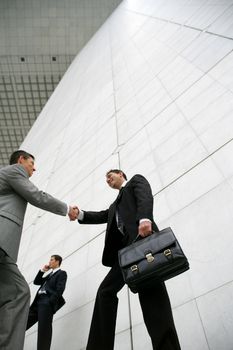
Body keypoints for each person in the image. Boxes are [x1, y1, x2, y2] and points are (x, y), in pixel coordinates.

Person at [77, 169, 181, 350]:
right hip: (124, 255)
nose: (108, 180)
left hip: (142, 244)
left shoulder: (135, 181)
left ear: (121, 174)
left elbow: (145, 196)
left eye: (110, 176)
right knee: (105, 292)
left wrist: (145, 218)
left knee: (152, 298)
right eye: (106, 179)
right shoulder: (113, 206)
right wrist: (79, 214)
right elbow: (101, 215)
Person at [0, 150, 78, 350]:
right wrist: (66, 208)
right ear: (21, 160)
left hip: (4, 252)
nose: (34, 168)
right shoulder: (14, 171)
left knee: (19, 292)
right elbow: (37, 196)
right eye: (31, 163)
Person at [26, 255, 67, 350]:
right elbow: (36, 282)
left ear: (57, 262)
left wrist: (50, 302)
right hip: (37, 304)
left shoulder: (61, 273)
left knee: (43, 330)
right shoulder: (49, 275)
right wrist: (43, 271)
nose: (49, 262)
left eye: (51, 260)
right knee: (21, 324)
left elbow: (60, 289)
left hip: (46, 303)